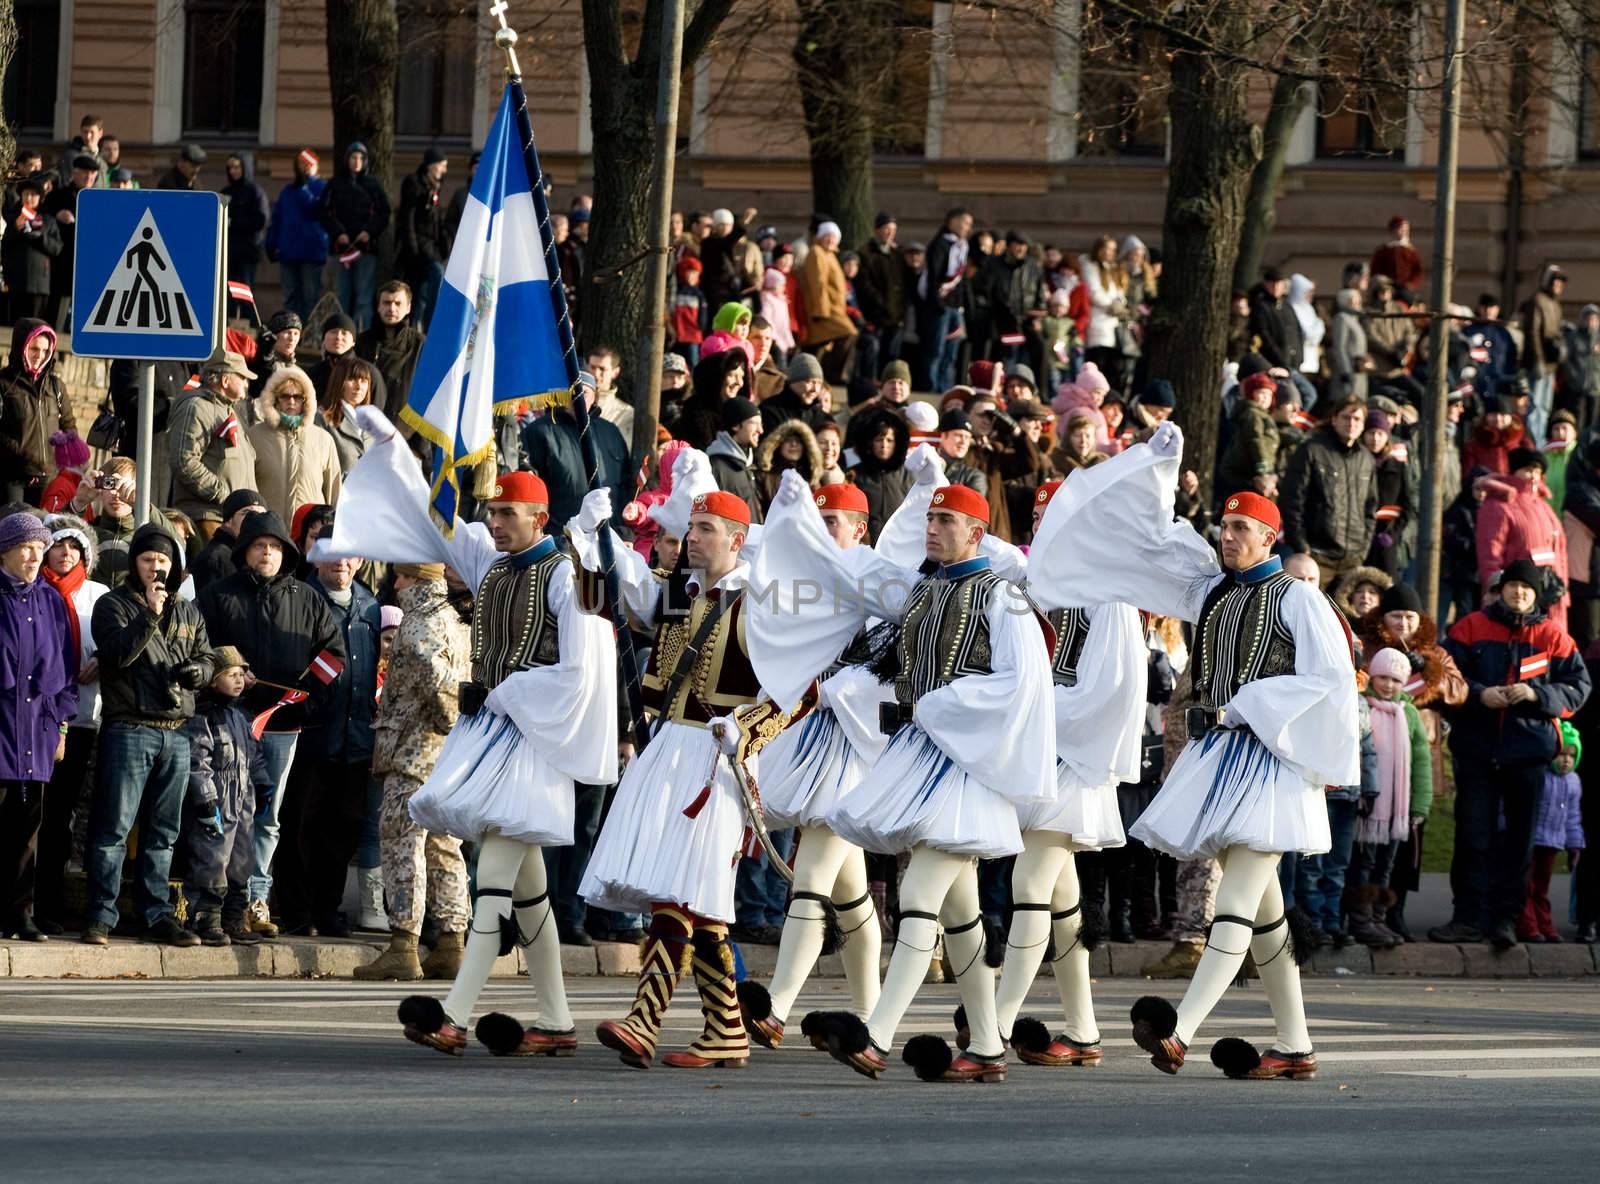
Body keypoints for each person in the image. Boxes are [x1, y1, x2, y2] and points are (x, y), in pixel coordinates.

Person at [1027, 429, 1360, 1080]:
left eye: (1242, 528)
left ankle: (1182, 1027)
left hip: (1271, 765)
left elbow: (1329, 680)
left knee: (1235, 903)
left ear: (1271, 539)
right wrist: (1152, 466)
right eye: (1226, 526)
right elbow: (1154, 545)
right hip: (1224, 762)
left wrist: (1247, 708)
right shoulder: (1213, 592)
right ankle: (1295, 1046)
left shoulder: (1297, 598)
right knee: (1263, 918)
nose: (1229, 536)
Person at [312, 404, 617, 1057]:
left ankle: (453, 1012)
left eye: (508, 514)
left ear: (541, 519)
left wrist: (506, 695)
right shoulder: (496, 565)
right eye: (496, 512)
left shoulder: (565, 575)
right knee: (527, 895)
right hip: (497, 741)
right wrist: (394, 445)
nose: (495, 522)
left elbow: (582, 669)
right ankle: (558, 1022)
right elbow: (441, 519)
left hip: (533, 744)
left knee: (496, 885)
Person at [757, 470, 1055, 1083]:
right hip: (923, 756)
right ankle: (990, 1046)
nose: (934, 529)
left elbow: (1021, 685)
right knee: (959, 913)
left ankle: (877, 1035)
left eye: (947, 521)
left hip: (969, 763)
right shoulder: (920, 592)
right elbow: (873, 635)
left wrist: (937, 707)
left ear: (977, 532)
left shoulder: (1004, 597)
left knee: (921, 895)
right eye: (931, 519)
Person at [564, 485, 780, 1069]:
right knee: (693, 895)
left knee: (681, 890)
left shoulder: (760, 599)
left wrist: (748, 729)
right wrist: (592, 540)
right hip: (670, 750)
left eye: (707, 528)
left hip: (720, 758)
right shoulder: (679, 592)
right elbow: (600, 599)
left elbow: (796, 690)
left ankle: (645, 1019)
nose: (693, 537)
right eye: (692, 526)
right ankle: (727, 1030)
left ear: (737, 540)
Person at [978, 478, 1147, 1067]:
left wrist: (1040, 714)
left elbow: (1114, 688)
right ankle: (1082, 1029)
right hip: (1039, 747)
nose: (1043, 531)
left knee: (1030, 886)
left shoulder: (1108, 593)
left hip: (1074, 754)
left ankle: (994, 1026)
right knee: (1060, 895)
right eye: (1039, 521)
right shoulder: (1031, 585)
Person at [734, 483, 896, 1048]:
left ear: (860, 530)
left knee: (811, 879)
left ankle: (775, 1007)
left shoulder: (877, 577)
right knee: (849, 895)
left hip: (851, 742)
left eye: (834, 522)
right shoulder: (806, 579)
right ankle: (872, 1016)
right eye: (819, 519)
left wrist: (833, 689)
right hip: (808, 736)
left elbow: (887, 662)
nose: (825, 528)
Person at [197, 511, 345, 939]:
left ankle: (255, 900)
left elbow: (333, 655)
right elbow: (198, 648)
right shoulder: (217, 595)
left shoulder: (307, 597)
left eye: (276, 547)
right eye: (260, 545)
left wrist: (307, 698)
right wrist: (221, 678)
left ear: (287, 553)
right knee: (222, 813)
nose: (267, 553)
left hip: (282, 726)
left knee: (267, 816)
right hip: (227, 723)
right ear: (245, 551)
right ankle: (215, 900)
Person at [1431, 559, 1590, 949]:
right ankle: (1467, 918)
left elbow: (1579, 686)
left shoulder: (1554, 636)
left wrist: (1538, 695)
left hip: (1528, 755)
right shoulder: (1470, 627)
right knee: (1473, 836)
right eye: (1512, 585)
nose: (1518, 592)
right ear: (1500, 589)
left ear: (1536, 594)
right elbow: (1443, 677)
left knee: (1520, 843)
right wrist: (1478, 693)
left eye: (1526, 588)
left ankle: (1506, 920)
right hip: (1477, 751)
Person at [82, 523, 211, 947]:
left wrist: (201, 672)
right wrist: (150, 616)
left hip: (177, 731)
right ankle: (102, 914)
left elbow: (207, 657)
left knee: (163, 833)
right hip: (130, 728)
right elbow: (117, 654)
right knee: (113, 829)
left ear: (174, 565)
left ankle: (156, 914)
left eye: (163, 560)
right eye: (147, 559)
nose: (156, 567)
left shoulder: (189, 610)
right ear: (134, 563)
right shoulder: (113, 604)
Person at [354, 562, 472, 981]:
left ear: (411, 580)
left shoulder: (420, 620)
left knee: (403, 844)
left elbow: (437, 681)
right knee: (443, 847)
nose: (395, 585)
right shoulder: (455, 619)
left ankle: (403, 943)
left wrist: (444, 721)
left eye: (399, 578)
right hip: (444, 756)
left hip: (412, 751)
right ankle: (451, 942)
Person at [0, 513, 79, 941]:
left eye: (39, 547)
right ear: (6, 551)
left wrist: (62, 728)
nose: (34, 556)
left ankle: (19, 914)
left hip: (37, 730)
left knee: (27, 831)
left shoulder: (50, 600)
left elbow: (66, 671)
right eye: (25, 547)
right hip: (2, 728)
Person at [295, 557, 383, 937]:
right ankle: (298, 909)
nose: (342, 563)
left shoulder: (370, 605)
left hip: (357, 739)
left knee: (344, 828)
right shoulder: (303, 598)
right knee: (304, 826)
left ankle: (328, 909)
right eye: (333, 554)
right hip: (315, 735)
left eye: (350, 555)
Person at [31, 516, 109, 934]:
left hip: (80, 719)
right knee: (31, 816)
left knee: (62, 816)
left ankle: (50, 905)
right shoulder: (34, 591)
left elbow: (116, 642)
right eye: (59, 545)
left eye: (75, 547)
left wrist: (104, 660)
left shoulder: (97, 595)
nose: (66, 554)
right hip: (33, 723)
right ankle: (21, 901)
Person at [181, 646, 270, 945]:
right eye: (230, 675)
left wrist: (263, 784)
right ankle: (206, 917)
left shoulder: (242, 717)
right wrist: (205, 798)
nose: (239, 680)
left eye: (241, 674)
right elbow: (197, 761)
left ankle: (234, 917)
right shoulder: (203, 716)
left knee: (241, 860)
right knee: (211, 858)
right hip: (217, 802)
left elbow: (252, 754)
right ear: (212, 680)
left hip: (242, 802)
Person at [1345, 647, 1432, 947]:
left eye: (1396, 680)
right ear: (1372, 677)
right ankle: (1360, 920)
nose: (1388, 685)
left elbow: (1421, 760)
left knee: (1387, 865)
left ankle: (1379, 920)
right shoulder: (1362, 706)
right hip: (1369, 806)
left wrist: (1420, 804)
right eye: (1382, 677)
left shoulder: (1408, 714)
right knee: (1364, 863)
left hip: (1397, 808)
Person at [1280, 396, 1379, 590]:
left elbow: (1371, 508)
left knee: (1343, 620)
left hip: (1352, 559)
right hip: (1316, 556)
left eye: (1357, 419)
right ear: (1334, 419)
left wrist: (1362, 550)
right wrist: (1301, 546)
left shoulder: (1367, 459)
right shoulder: (1312, 450)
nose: (1351, 423)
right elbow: (1292, 500)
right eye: (1345, 417)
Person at [518, 371, 630, 534]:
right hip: (560, 537)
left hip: (609, 538)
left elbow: (626, 484)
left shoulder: (611, 432)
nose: (577, 397)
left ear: (594, 397)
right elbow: (530, 488)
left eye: (584, 392)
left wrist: (624, 531)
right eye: (572, 392)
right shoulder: (539, 432)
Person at [1476, 447, 1570, 632]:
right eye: (1528, 470)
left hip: (1551, 597)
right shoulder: (1498, 505)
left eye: (1537, 471)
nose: (1533, 476)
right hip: (1517, 596)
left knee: (1551, 650)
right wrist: (1496, 588)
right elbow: (1490, 552)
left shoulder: (1544, 506)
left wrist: (1563, 592)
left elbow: (1561, 554)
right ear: (1514, 471)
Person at [167, 352, 259, 532]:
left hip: (230, 517)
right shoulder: (196, 407)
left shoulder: (229, 411)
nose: (246, 384)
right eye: (242, 377)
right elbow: (183, 461)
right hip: (208, 517)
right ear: (225, 380)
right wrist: (221, 493)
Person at [246, 366, 343, 523]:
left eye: (298, 397)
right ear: (275, 399)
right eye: (285, 396)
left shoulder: (323, 439)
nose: (291, 401)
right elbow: (246, 487)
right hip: (268, 531)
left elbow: (334, 492)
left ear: (306, 400)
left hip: (310, 534)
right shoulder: (254, 436)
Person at [1, 318, 76, 505]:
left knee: (44, 530)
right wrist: (26, 457)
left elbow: (68, 424)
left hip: (48, 477)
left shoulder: (55, 386)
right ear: (22, 348)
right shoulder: (4, 383)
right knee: (14, 529)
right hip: (12, 476)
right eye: (34, 349)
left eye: (45, 351)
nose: (40, 356)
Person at [1520, 723, 1584, 942]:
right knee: (1526, 885)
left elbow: (1573, 817)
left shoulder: (1574, 782)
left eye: (1571, 755)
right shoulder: (1541, 776)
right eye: (1562, 754)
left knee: (1542, 887)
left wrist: (1575, 844)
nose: (1566, 760)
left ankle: (1545, 923)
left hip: (1553, 843)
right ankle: (1528, 924)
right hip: (1532, 840)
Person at [320, 142, 390, 332]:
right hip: (341, 249)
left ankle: (361, 335)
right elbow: (324, 212)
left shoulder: (373, 185)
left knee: (363, 297)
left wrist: (369, 231)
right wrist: (338, 233)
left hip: (365, 249)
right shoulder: (335, 184)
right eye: (353, 157)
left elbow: (384, 213)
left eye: (360, 158)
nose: (356, 162)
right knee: (342, 295)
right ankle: (343, 334)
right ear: (347, 160)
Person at [266, 149, 330, 324]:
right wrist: (271, 243)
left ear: (316, 166)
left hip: (312, 251)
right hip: (288, 252)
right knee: (290, 296)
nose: (305, 168)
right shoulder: (287, 191)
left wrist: (304, 189)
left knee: (310, 297)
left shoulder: (322, 188)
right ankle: (291, 330)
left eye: (309, 164)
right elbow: (277, 218)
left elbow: (316, 211)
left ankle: (309, 333)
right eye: (302, 164)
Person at [918, 209, 973, 393]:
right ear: (953, 222)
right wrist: (937, 302)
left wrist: (966, 303)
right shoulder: (940, 244)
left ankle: (945, 388)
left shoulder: (963, 246)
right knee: (935, 350)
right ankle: (931, 387)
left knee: (951, 353)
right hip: (940, 306)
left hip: (956, 307)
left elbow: (962, 278)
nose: (968, 228)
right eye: (965, 223)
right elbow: (934, 274)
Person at [397, 149, 450, 329]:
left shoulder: (435, 186)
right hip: (419, 246)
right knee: (436, 274)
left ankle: (416, 330)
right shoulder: (414, 183)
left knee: (420, 290)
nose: (444, 171)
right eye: (442, 166)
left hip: (430, 245)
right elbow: (408, 216)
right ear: (431, 165)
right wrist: (412, 245)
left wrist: (445, 244)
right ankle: (429, 324)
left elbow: (436, 219)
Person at [356, 281, 426, 417]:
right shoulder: (363, 341)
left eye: (398, 303)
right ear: (378, 307)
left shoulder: (420, 344)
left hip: (405, 428)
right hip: (368, 422)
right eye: (386, 303)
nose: (392, 308)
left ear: (408, 308)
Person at [800, 223, 858, 384]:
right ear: (820, 236)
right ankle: (834, 375)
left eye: (834, 237)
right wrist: (820, 310)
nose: (831, 240)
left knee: (816, 346)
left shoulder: (830, 255)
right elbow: (817, 283)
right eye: (828, 235)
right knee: (848, 333)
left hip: (833, 309)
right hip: (824, 310)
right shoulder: (817, 253)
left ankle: (814, 375)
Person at [855, 212, 907, 380]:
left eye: (893, 229)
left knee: (891, 354)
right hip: (876, 314)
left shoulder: (898, 254)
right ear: (877, 230)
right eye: (887, 229)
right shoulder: (866, 253)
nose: (890, 233)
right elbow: (865, 286)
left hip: (896, 315)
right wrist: (881, 304)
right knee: (873, 352)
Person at [1520, 263, 1567, 445]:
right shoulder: (1537, 300)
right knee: (1535, 406)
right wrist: (1537, 360)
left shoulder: (1555, 304)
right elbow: (1532, 332)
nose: (1558, 286)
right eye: (1555, 281)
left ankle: (1538, 442)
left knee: (1545, 407)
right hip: (1538, 363)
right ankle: (1532, 443)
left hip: (1551, 364)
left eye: (1561, 283)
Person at [2, 177, 61, 323]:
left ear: (40, 197)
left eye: (33, 194)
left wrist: (41, 238)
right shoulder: (14, 219)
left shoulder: (48, 220)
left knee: (35, 325)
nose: (29, 198)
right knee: (15, 325)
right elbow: (5, 246)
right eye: (26, 194)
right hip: (16, 282)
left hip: (39, 283)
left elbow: (57, 247)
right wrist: (15, 228)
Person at [190, 489, 265, 595]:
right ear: (228, 521)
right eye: (248, 513)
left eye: (262, 514)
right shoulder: (216, 559)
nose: (255, 519)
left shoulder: (256, 554)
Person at [1218, 372, 1280, 496]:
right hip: (1250, 468)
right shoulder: (1253, 414)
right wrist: (1263, 469)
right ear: (1251, 394)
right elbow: (1255, 439)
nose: (1265, 398)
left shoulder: (1263, 415)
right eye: (1261, 393)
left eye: (1269, 394)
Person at [706, 396, 765, 524]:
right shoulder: (715, 467)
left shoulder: (750, 465)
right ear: (736, 426)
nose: (760, 430)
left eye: (761, 424)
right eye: (754, 423)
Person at [221, 154, 270, 288]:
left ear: (245, 168)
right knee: (228, 294)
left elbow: (260, 220)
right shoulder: (225, 192)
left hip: (247, 252)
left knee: (245, 293)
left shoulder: (255, 192)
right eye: (230, 168)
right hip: (229, 252)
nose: (233, 171)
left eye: (237, 167)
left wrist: (233, 223)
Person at [1369, 215, 1423, 293]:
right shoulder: (1383, 250)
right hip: (1386, 288)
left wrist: (1410, 285)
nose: (1404, 231)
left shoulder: (1411, 251)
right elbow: (1375, 270)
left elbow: (1418, 271)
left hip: (1405, 288)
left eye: (1406, 229)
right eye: (1401, 228)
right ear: (1393, 230)